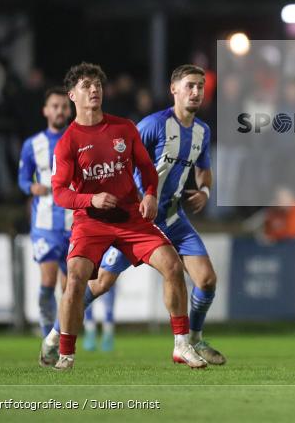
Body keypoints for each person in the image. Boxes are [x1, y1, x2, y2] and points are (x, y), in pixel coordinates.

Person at [43, 64, 225, 365]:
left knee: (203, 279)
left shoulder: (201, 131)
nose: (196, 92)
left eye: (200, 87)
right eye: (190, 86)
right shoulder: (150, 125)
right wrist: (125, 197)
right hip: (127, 218)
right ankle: (56, 336)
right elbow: (124, 165)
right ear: (174, 90)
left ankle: (190, 341)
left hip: (169, 217)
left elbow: (197, 169)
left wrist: (201, 191)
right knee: (98, 283)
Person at [18, 87, 84, 339]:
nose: (59, 111)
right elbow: (23, 179)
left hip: (74, 223)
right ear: (45, 111)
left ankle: (60, 335)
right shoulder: (32, 145)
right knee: (47, 281)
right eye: (54, 106)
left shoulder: (79, 139)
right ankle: (48, 337)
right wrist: (31, 187)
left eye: (63, 106)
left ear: (69, 110)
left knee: (70, 286)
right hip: (45, 224)